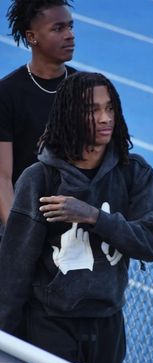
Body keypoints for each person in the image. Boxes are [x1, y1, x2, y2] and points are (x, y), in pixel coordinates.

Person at [0, 71, 153, 363]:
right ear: (71, 116)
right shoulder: (39, 179)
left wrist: (93, 216)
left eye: (110, 108)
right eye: (93, 110)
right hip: (53, 322)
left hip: (108, 320)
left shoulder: (136, 174)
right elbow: (13, 269)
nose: (105, 118)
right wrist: (6, 347)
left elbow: (150, 244)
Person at [0, 0, 76, 232]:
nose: (70, 35)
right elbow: (2, 177)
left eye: (71, 27)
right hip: (22, 219)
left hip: (72, 222)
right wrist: (19, 235)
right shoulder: (7, 93)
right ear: (32, 37)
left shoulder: (84, 90)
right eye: (58, 28)